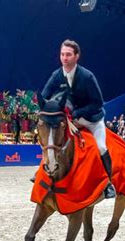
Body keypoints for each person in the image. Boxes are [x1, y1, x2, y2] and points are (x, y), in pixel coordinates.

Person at [38, 39, 115, 198]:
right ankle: (43, 174)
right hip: (70, 120)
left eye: (68, 54)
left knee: (100, 147)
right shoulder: (56, 75)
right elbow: (44, 96)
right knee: (52, 141)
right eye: (62, 54)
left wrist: (77, 113)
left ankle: (109, 184)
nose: (64, 58)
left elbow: (98, 103)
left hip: (92, 119)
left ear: (77, 56)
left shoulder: (87, 77)